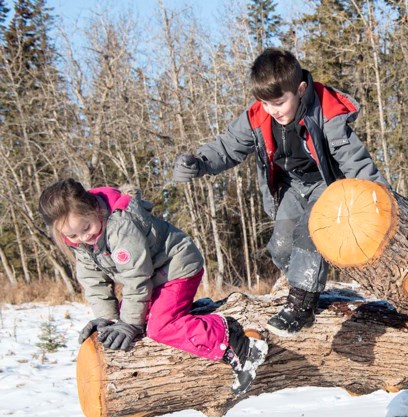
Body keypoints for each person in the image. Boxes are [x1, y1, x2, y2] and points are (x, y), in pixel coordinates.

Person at [173, 47, 389, 336]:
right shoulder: (257, 117)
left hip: (327, 186)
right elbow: (226, 148)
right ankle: (307, 289)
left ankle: (301, 305)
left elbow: (354, 159)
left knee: (309, 234)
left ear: (300, 90)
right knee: (280, 247)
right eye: (264, 103)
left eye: (278, 102)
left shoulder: (326, 112)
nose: (272, 110)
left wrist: (379, 198)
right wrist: (199, 163)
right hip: (290, 185)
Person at [39, 178, 268, 395]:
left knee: (160, 328)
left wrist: (128, 324)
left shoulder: (120, 226)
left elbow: (136, 279)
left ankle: (239, 344)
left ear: (96, 210)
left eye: (86, 228)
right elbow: (94, 284)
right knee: (137, 320)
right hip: (153, 278)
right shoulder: (82, 244)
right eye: (72, 235)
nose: (82, 238)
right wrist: (109, 320)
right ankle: (196, 313)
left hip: (176, 268)